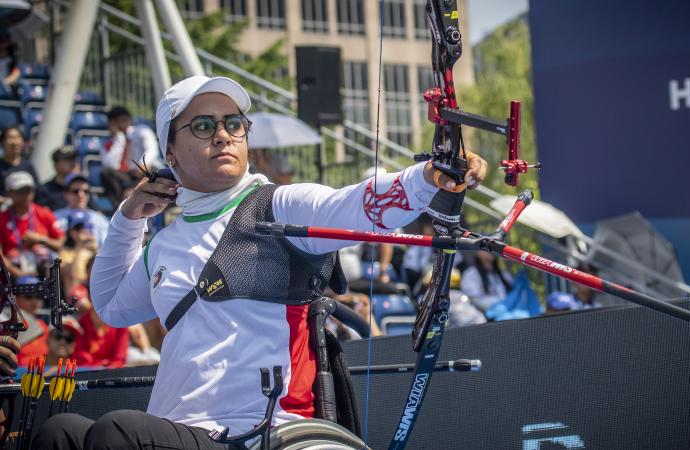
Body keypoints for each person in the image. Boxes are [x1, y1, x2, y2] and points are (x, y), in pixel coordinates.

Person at [33, 75, 488, 449]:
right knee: (60, 434)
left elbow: (352, 207)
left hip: (258, 432)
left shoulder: (279, 204)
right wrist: (129, 216)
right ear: (170, 152)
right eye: (204, 126)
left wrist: (428, 178)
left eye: (233, 122)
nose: (224, 134)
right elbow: (111, 306)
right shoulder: (165, 242)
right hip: (177, 431)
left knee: (116, 432)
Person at [0, 172, 63, 274]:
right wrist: (18, 273)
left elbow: (61, 244)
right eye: (20, 191)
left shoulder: (45, 213)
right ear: (9, 193)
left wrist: (41, 240)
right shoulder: (2, 218)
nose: (26, 195)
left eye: (29, 190)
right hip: (13, 272)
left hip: (44, 268)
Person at [101, 106, 162, 209]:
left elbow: (151, 149)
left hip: (144, 171)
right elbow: (110, 164)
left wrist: (143, 163)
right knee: (106, 173)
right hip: (128, 177)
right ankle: (122, 206)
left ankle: (133, 195)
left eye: (124, 120)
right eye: (117, 122)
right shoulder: (109, 144)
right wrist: (119, 138)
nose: (122, 124)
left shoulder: (141, 130)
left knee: (148, 170)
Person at [54, 173, 109, 247]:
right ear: (66, 194)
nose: (81, 195)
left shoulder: (100, 220)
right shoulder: (55, 217)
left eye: (85, 191)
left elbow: (106, 248)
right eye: (75, 191)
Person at [58, 211, 99, 292]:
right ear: (70, 232)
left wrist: (95, 251)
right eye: (77, 229)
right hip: (76, 293)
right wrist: (81, 250)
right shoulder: (65, 251)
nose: (82, 232)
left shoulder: (96, 248)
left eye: (85, 227)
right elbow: (75, 276)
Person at [14, 275, 49, 367]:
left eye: (38, 297)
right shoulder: (7, 323)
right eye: (28, 296)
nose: (34, 301)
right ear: (15, 298)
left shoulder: (43, 325)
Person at [36, 146, 80, 211]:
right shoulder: (44, 190)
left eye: (74, 159)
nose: (73, 163)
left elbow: (96, 212)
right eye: (68, 159)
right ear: (56, 165)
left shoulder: (82, 188)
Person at [0, 126, 39, 196]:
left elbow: (38, 190)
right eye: (10, 138)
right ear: (2, 142)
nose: (14, 142)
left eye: (17, 138)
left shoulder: (28, 166)